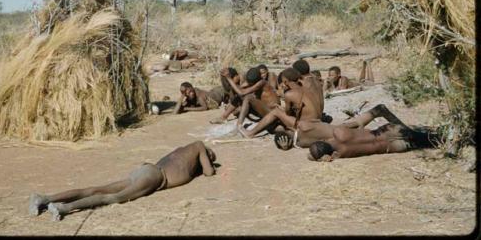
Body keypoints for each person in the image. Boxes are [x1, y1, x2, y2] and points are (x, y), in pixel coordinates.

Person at [28, 141, 217, 221]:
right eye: (209, 156)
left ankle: (43, 198)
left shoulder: (183, 151)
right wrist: (209, 164)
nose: (207, 158)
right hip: (157, 177)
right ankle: (62, 208)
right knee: (113, 197)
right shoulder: (200, 146)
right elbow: (209, 173)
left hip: (147, 169)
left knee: (96, 189)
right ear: (207, 154)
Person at [238, 68, 334, 139]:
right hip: (317, 122)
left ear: (285, 81)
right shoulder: (306, 88)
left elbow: (288, 114)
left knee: (276, 112)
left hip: (306, 125)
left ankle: (250, 133)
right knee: (276, 123)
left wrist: (281, 106)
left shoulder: (290, 94)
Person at [273, 104, 408, 150]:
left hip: (343, 136)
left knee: (376, 133)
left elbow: (284, 136)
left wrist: (285, 146)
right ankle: (405, 129)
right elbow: (316, 120)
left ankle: (404, 131)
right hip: (343, 129)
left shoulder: (301, 144)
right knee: (380, 109)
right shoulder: (303, 125)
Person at [307, 122, 438, 161]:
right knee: (429, 136)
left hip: (394, 146)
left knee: (429, 143)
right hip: (390, 131)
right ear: (324, 140)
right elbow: (357, 124)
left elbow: (317, 157)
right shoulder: (339, 131)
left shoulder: (341, 154)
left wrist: (319, 157)